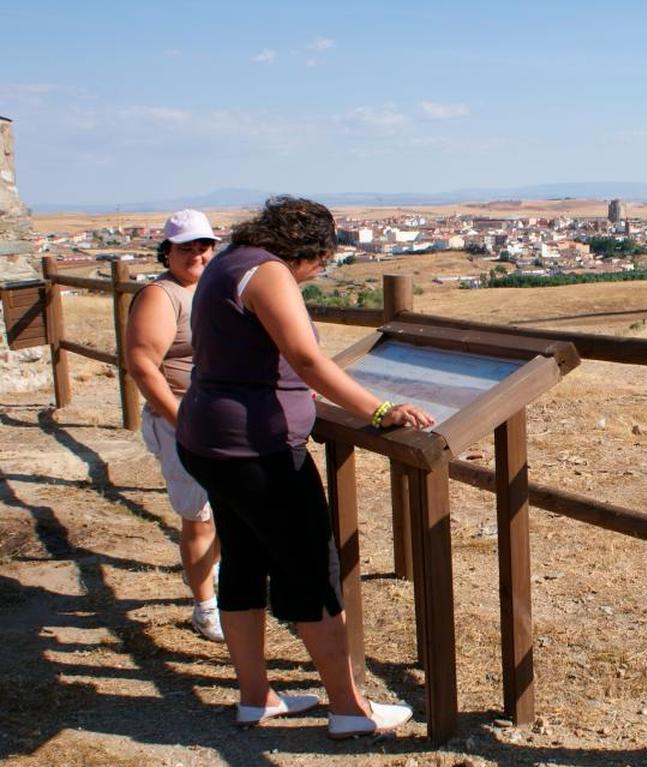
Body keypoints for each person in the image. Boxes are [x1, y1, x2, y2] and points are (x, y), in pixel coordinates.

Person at [175, 196, 434, 738]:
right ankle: (349, 708)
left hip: (211, 438)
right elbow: (307, 358)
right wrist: (380, 410)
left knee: (244, 565)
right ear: (307, 249)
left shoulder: (229, 260)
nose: (319, 273)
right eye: (322, 262)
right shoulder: (267, 273)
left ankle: (256, 698)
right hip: (256, 449)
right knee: (312, 572)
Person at [125, 209, 223, 642]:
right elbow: (143, 366)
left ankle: (210, 580)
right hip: (182, 417)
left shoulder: (210, 290)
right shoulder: (159, 297)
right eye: (186, 247)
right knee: (199, 516)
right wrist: (180, 421)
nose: (197, 254)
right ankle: (205, 609)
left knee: (226, 509)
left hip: (217, 417)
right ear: (167, 251)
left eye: (204, 246)